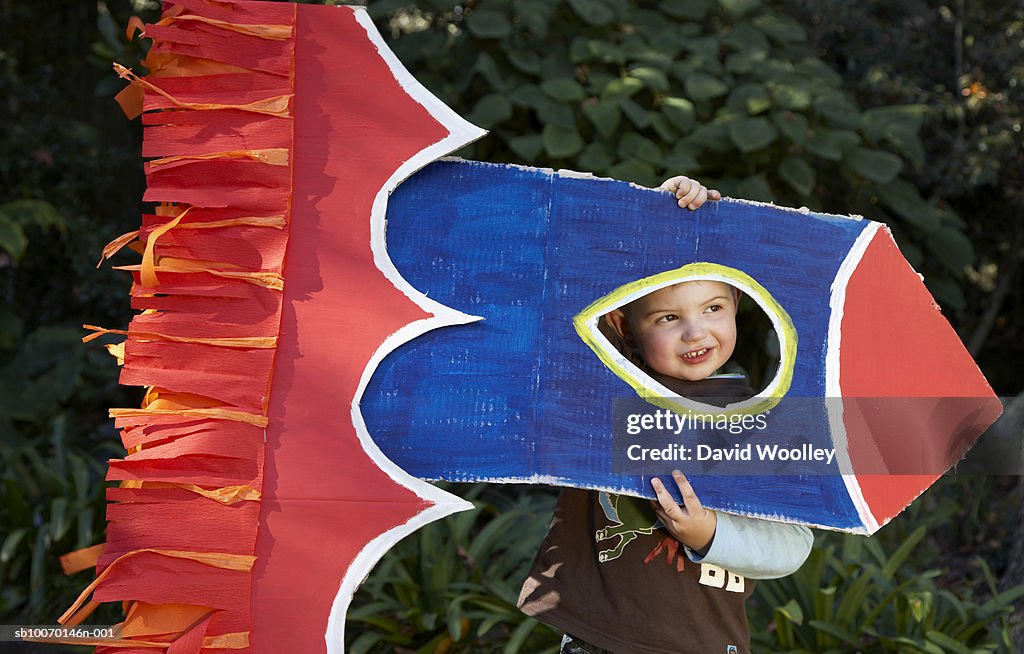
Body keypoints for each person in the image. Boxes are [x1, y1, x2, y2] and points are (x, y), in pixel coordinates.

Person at [517, 176, 814, 654]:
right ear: (624, 326)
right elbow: (571, 300)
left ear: (736, 303)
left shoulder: (763, 418)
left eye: (713, 307)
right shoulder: (605, 384)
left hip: (699, 640)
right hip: (598, 637)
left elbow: (793, 545)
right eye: (668, 318)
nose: (695, 333)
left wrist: (710, 534)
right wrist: (657, 220)